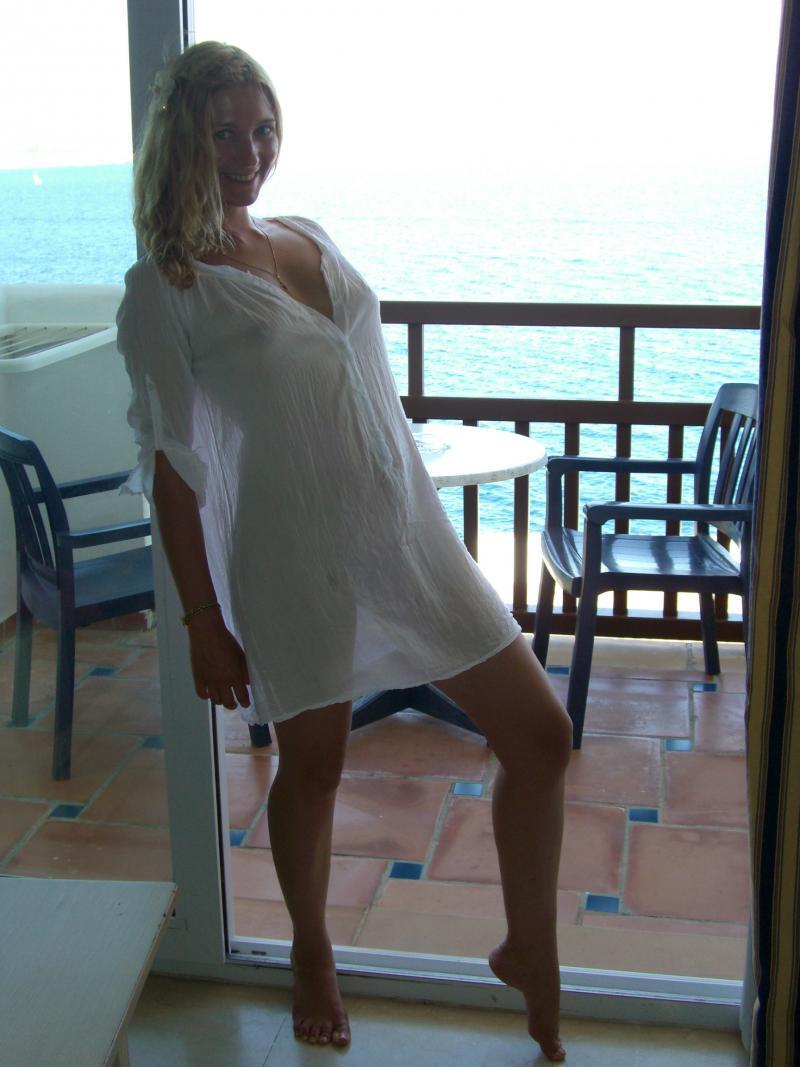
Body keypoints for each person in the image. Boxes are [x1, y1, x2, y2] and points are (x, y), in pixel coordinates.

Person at [117, 40, 572, 1061]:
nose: (250, 152)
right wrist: (202, 620)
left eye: (263, 128)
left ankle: (528, 942)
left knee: (540, 733)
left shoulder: (306, 233)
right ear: (182, 141)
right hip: (291, 547)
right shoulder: (165, 287)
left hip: (404, 528)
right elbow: (171, 466)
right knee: (313, 765)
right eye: (224, 132)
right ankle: (313, 950)